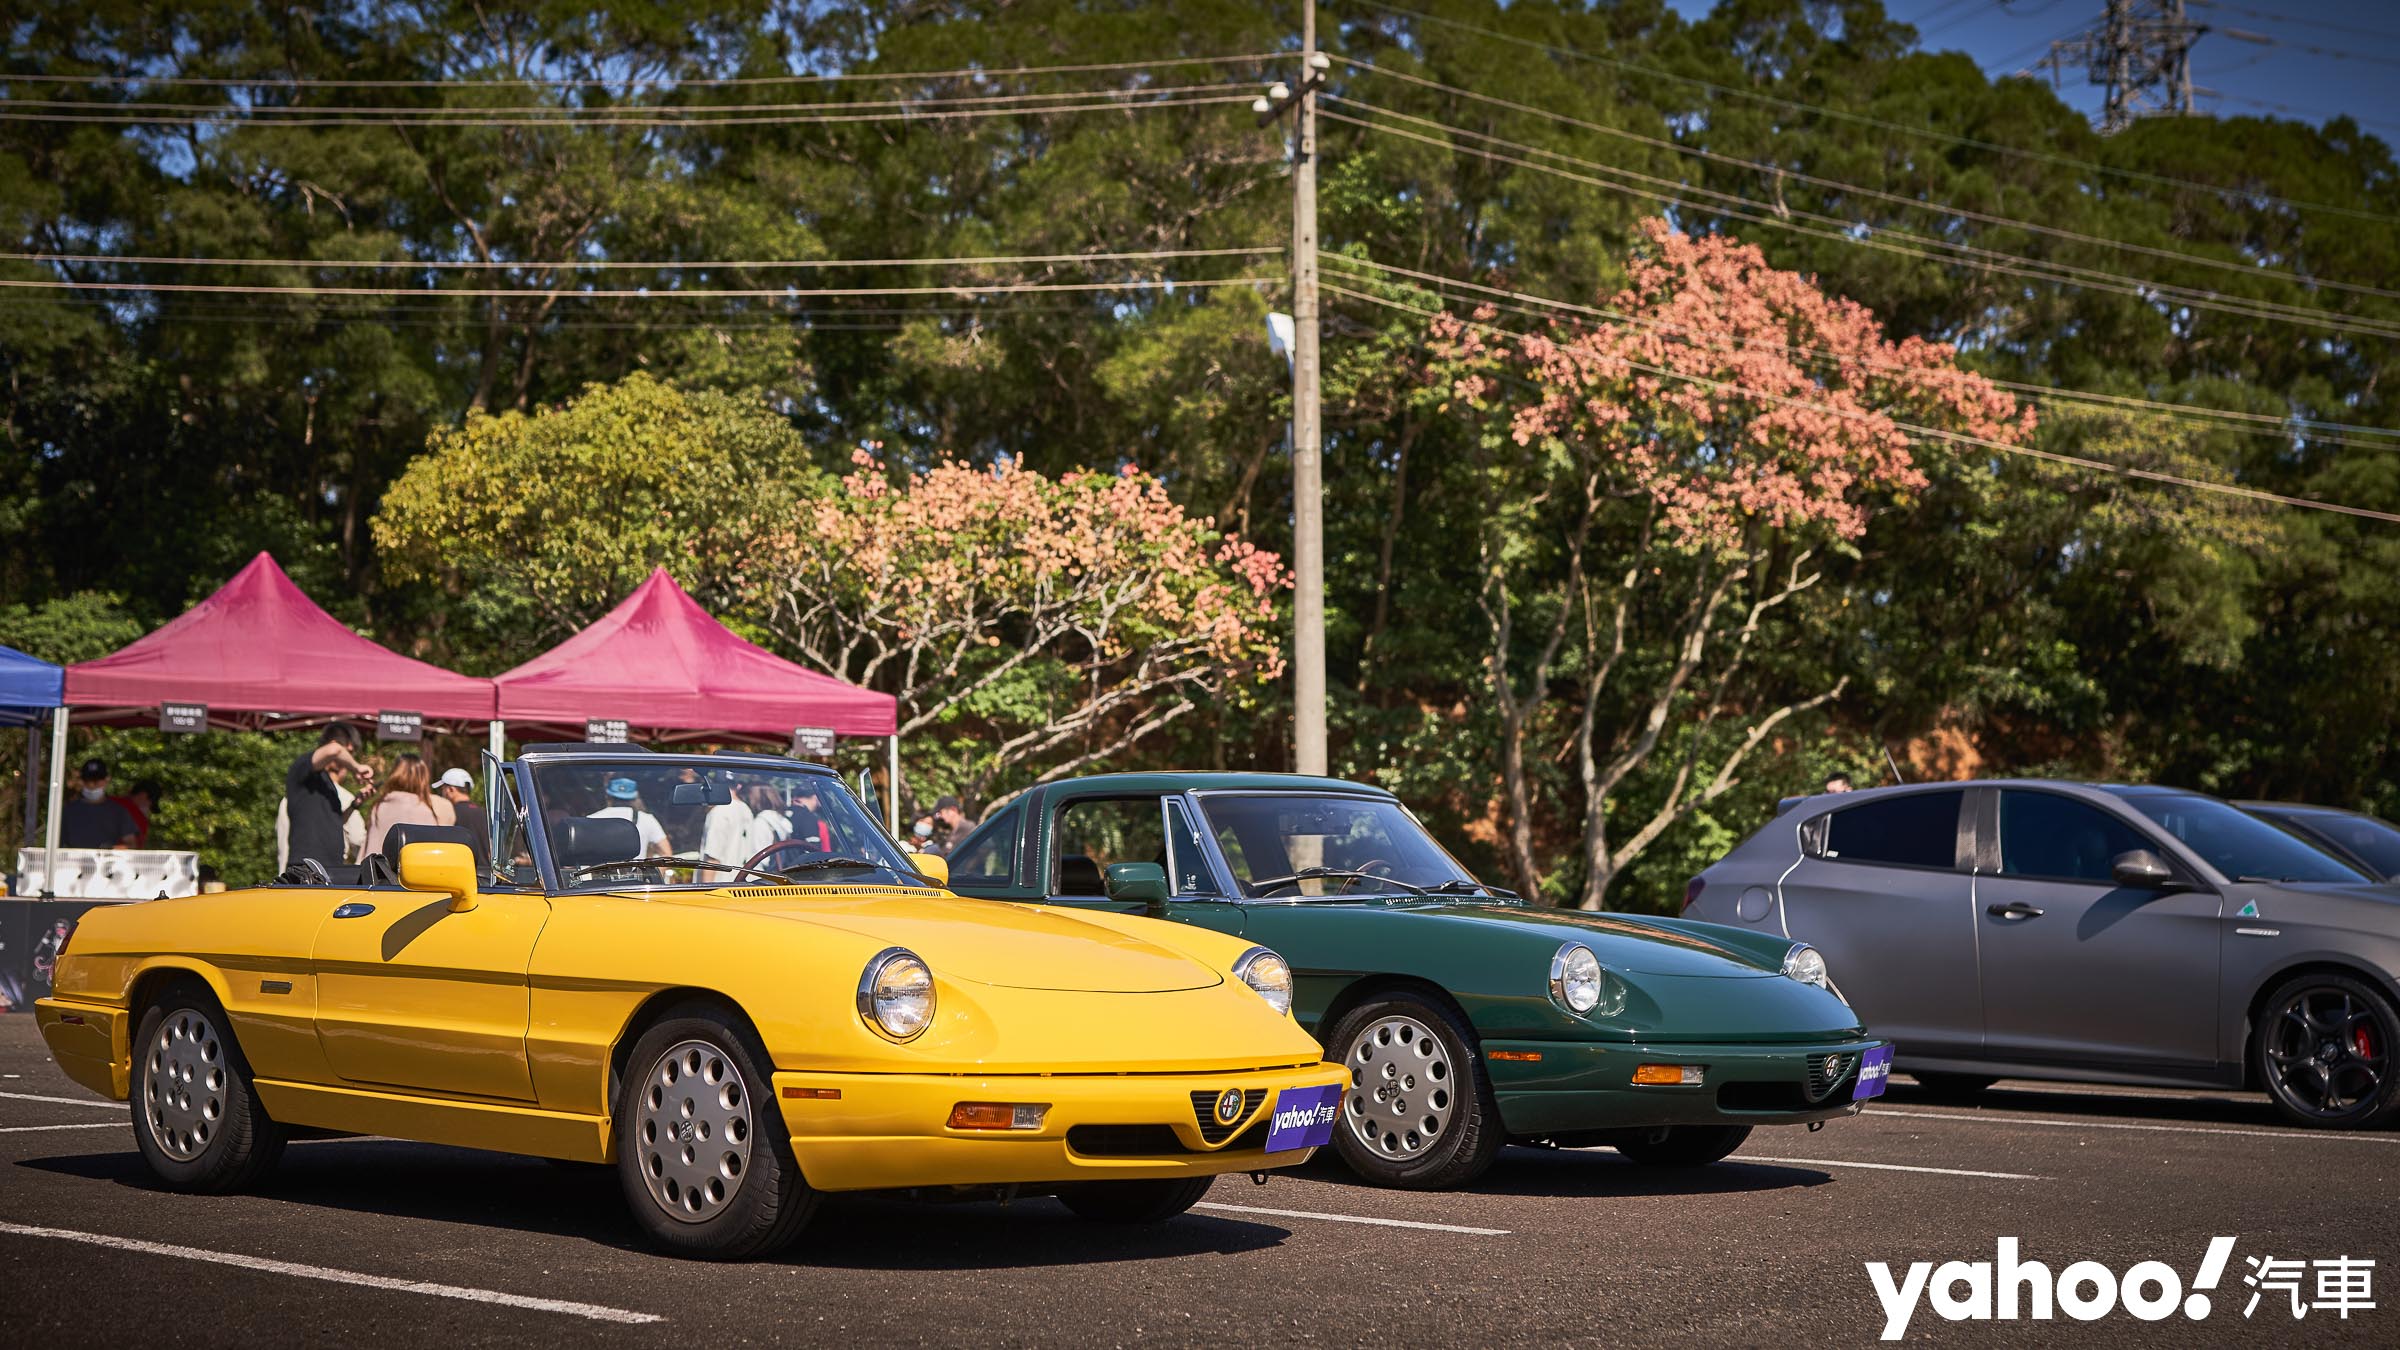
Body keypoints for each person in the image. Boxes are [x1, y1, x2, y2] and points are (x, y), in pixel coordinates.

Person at [287, 724, 374, 870]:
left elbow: (335, 823)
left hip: (331, 869)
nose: (348, 759)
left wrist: (355, 805)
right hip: (306, 869)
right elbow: (334, 750)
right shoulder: (302, 769)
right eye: (349, 752)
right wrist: (357, 767)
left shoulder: (328, 785)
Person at [364, 753, 455, 858]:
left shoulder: (380, 807)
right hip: (414, 873)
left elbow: (371, 847)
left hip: (378, 872)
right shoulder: (426, 810)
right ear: (423, 778)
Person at [60, 759, 140, 849]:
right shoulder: (68, 811)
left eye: (97, 780)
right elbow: (56, 846)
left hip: (107, 862)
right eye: (88, 780)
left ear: (107, 779)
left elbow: (131, 844)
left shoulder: (118, 812)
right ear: (81, 781)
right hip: (72, 862)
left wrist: (110, 851)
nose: (92, 784)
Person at [587, 777, 671, 859]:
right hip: (638, 872)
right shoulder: (647, 819)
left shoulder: (591, 820)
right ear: (634, 797)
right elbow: (666, 854)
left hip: (602, 872)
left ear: (607, 796)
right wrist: (653, 873)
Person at [435, 767, 490, 871]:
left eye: (442, 789)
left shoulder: (450, 812)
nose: (442, 793)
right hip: (484, 876)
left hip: (460, 874)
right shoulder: (483, 812)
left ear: (450, 789)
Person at [702, 781, 756, 870]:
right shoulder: (745, 808)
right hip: (741, 878)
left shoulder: (720, 811)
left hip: (721, 880)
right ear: (738, 786)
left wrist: (706, 883)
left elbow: (713, 857)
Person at [110, 778, 161, 847]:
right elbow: (136, 849)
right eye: (150, 803)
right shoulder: (138, 816)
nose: (148, 808)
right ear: (143, 795)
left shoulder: (108, 802)